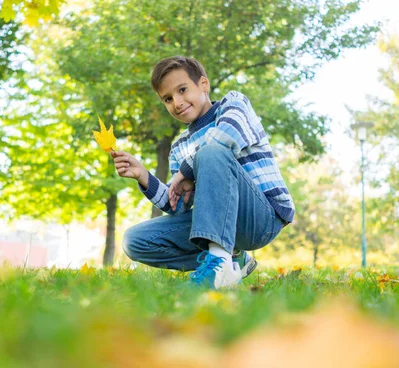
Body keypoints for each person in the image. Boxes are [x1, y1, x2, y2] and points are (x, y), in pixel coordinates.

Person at [111, 56, 294, 289]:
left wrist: (187, 170)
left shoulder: (234, 104)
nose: (177, 102)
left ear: (204, 84)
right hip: (220, 226)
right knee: (135, 240)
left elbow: (226, 135)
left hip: (261, 218)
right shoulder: (179, 147)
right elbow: (178, 206)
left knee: (211, 152)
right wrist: (143, 176)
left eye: (182, 90)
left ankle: (219, 266)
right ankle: (232, 259)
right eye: (168, 99)